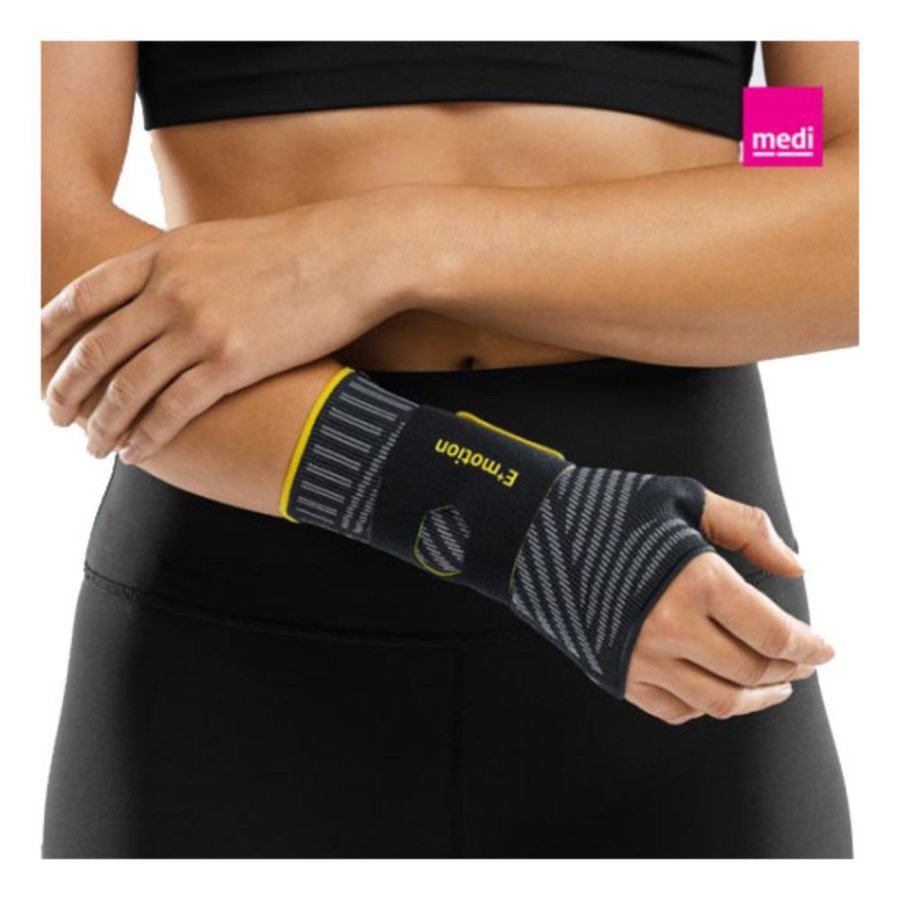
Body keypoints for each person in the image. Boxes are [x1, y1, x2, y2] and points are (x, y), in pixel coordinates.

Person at [40, 41, 857, 858]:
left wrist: (386, 246)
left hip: (670, 595)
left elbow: (851, 224)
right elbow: (39, 223)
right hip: (239, 617)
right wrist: (527, 523)